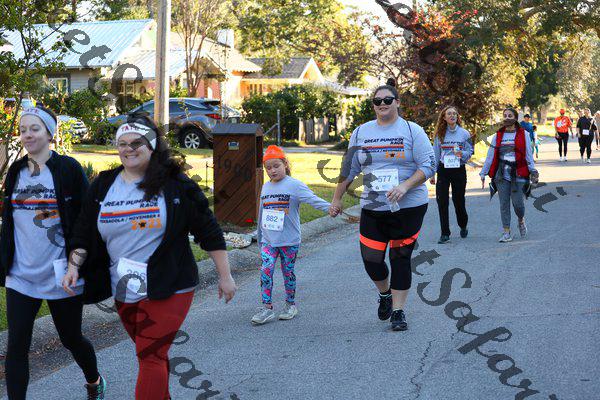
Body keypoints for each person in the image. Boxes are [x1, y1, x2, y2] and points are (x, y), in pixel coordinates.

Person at [62, 114, 237, 400]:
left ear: (152, 146)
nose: (129, 149)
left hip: (170, 284)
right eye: (122, 143)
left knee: (150, 355)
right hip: (124, 287)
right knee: (153, 354)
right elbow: (83, 230)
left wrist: (225, 275)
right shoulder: (104, 185)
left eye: (137, 143)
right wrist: (73, 266)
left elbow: (208, 230)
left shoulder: (175, 184)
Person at [0, 106, 105, 400]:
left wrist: (76, 263)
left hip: (62, 274)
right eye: (23, 130)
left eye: (34, 129)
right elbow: (10, 222)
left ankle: (94, 380)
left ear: (50, 134)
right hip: (21, 275)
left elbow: (86, 221)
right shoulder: (16, 172)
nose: (27, 135)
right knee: (17, 346)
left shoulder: (68, 169)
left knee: (71, 338)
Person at [329, 79, 436, 331]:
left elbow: (429, 165)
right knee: (371, 259)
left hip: (408, 207)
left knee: (400, 257)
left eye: (387, 100)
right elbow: (349, 169)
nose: (382, 104)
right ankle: (385, 293)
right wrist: (337, 198)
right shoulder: (361, 132)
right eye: (377, 101)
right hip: (374, 207)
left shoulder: (412, 130)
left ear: (397, 102)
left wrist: (405, 186)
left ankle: (398, 311)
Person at [251, 145, 330, 325]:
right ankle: (267, 308)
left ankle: (290, 305)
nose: (272, 170)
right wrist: (260, 238)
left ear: (285, 164)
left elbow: (313, 199)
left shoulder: (294, 185)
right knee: (266, 269)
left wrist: (331, 209)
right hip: (269, 241)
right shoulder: (265, 187)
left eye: (276, 166)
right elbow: (262, 214)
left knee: (288, 272)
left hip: (289, 240)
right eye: (268, 168)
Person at [480, 107, 539, 243]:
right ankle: (506, 232)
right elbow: (490, 155)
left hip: (518, 173)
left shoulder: (523, 134)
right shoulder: (498, 135)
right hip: (501, 174)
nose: (507, 118)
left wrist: (533, 170)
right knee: (504, 204)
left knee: (518, 204)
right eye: (505, 115)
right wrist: (483, 172)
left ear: (515, 118)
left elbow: (528, 154)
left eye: (510, 115)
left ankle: (521, 219)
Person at [430, 106, 473, 244]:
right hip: (443, 170)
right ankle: (445, 233)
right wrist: (432, 173)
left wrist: (462, 153)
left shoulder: (465, 133)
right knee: (442, 201)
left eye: (454, 113)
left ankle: (463, 224)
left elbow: (470, 151)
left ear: (457, 117)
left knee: (458, 200)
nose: (452, 115)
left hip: (458, 169)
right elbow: (435, 154)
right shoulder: (439, 134)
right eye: (449, 114)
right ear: (444, 117)